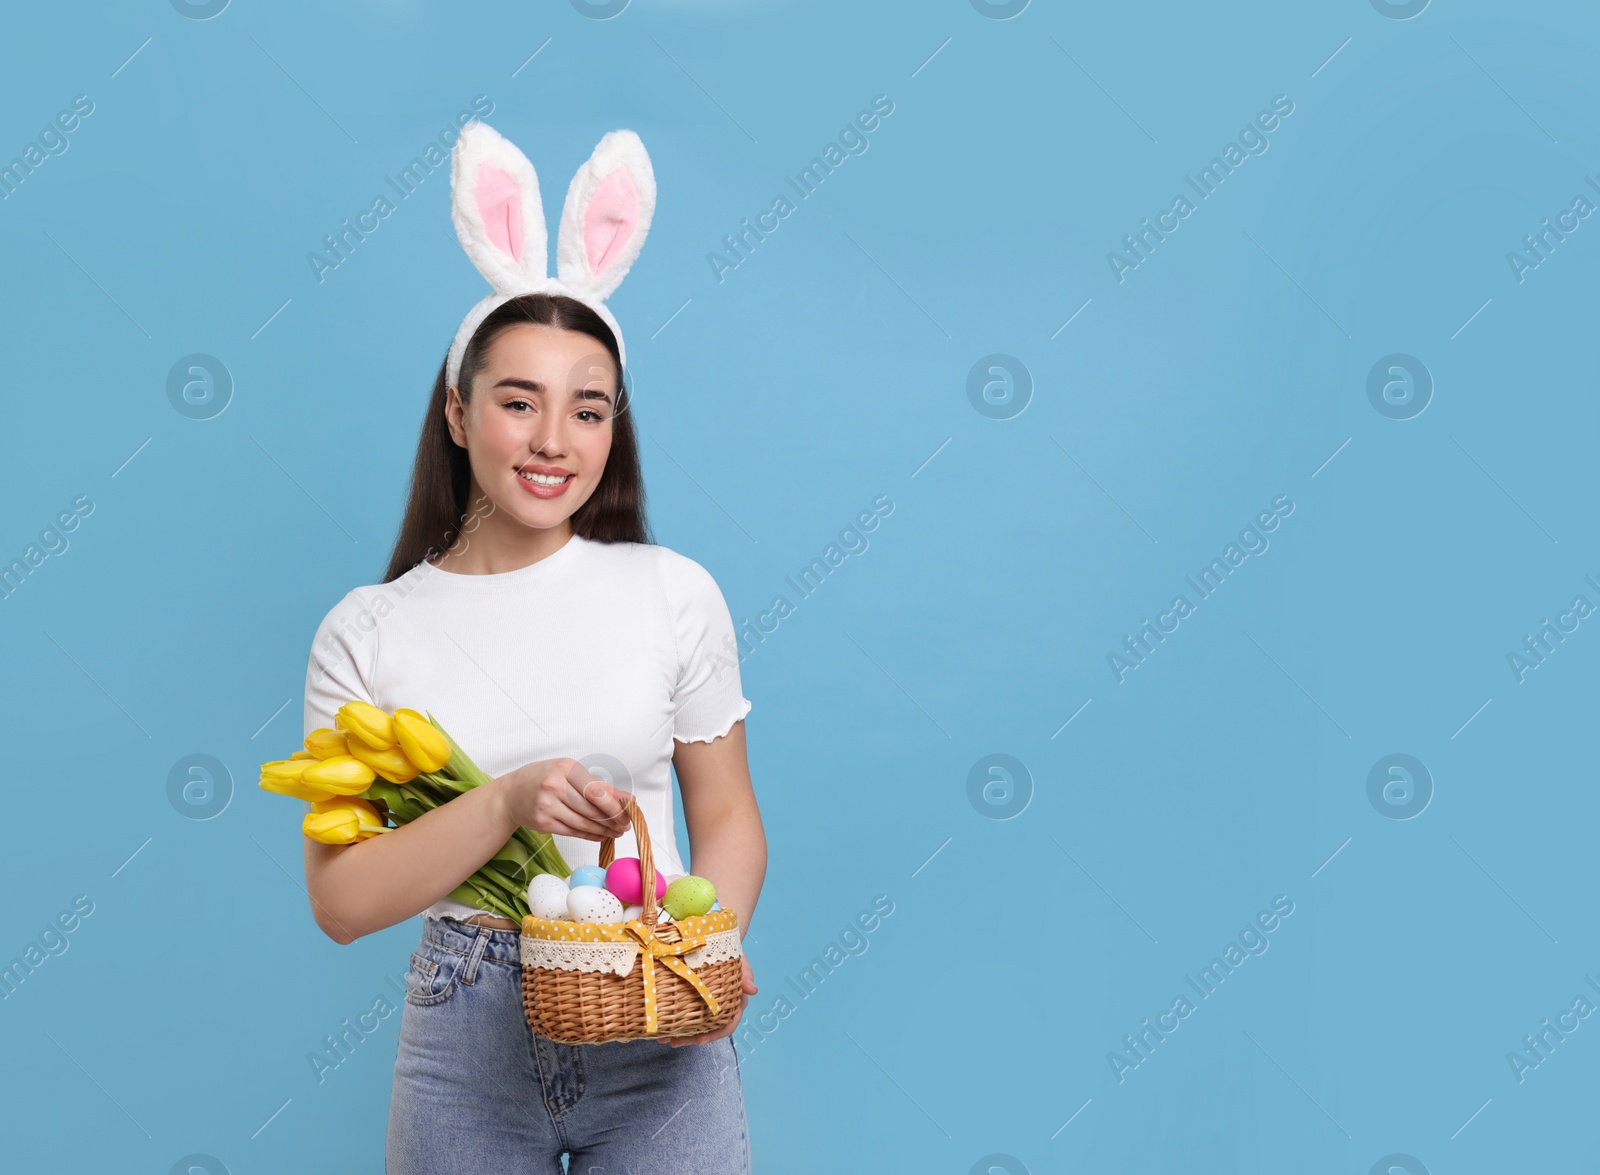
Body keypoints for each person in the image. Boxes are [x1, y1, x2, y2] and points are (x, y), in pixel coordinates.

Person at [299, 121, 765, 1174]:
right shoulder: (367, 633)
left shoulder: (671, 592)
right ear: (458, 413)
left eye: (587, 410)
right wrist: (505, 800)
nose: (555, 440)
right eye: (519, 401)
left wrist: (707, 943)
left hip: (653, 999)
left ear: (613, 427)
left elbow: (729, 817)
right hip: (467, 1033)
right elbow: (341, 900)